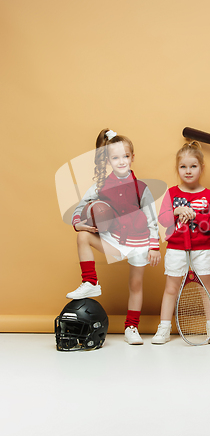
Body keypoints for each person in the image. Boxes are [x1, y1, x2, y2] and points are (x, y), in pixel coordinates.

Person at [66, 129, 161, 345]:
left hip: (139, 243)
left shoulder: (141, 187)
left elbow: (151, 219)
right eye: (115, 157)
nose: (121, 161)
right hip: (115, 242)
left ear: (132, 157)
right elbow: (80, 208)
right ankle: (91, 281)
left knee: (135, 285)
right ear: (108, 160)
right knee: (82, 236)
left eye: (125, 156)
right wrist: (78, 222)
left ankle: (131, 327)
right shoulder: (100, 186)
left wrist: (154, 247)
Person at [152, 141, 210, 344]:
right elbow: (163, 219)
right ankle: (164, 329)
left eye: (193, 166)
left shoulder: (209, 196)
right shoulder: (172, 194)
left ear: (201, 167)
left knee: (205, 290)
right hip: (176, 249)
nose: (188, 171)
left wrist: (195, 216)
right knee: (171, 289)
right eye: (183, 167)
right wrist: (177, 211)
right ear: (177, 169)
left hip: (201, 250)